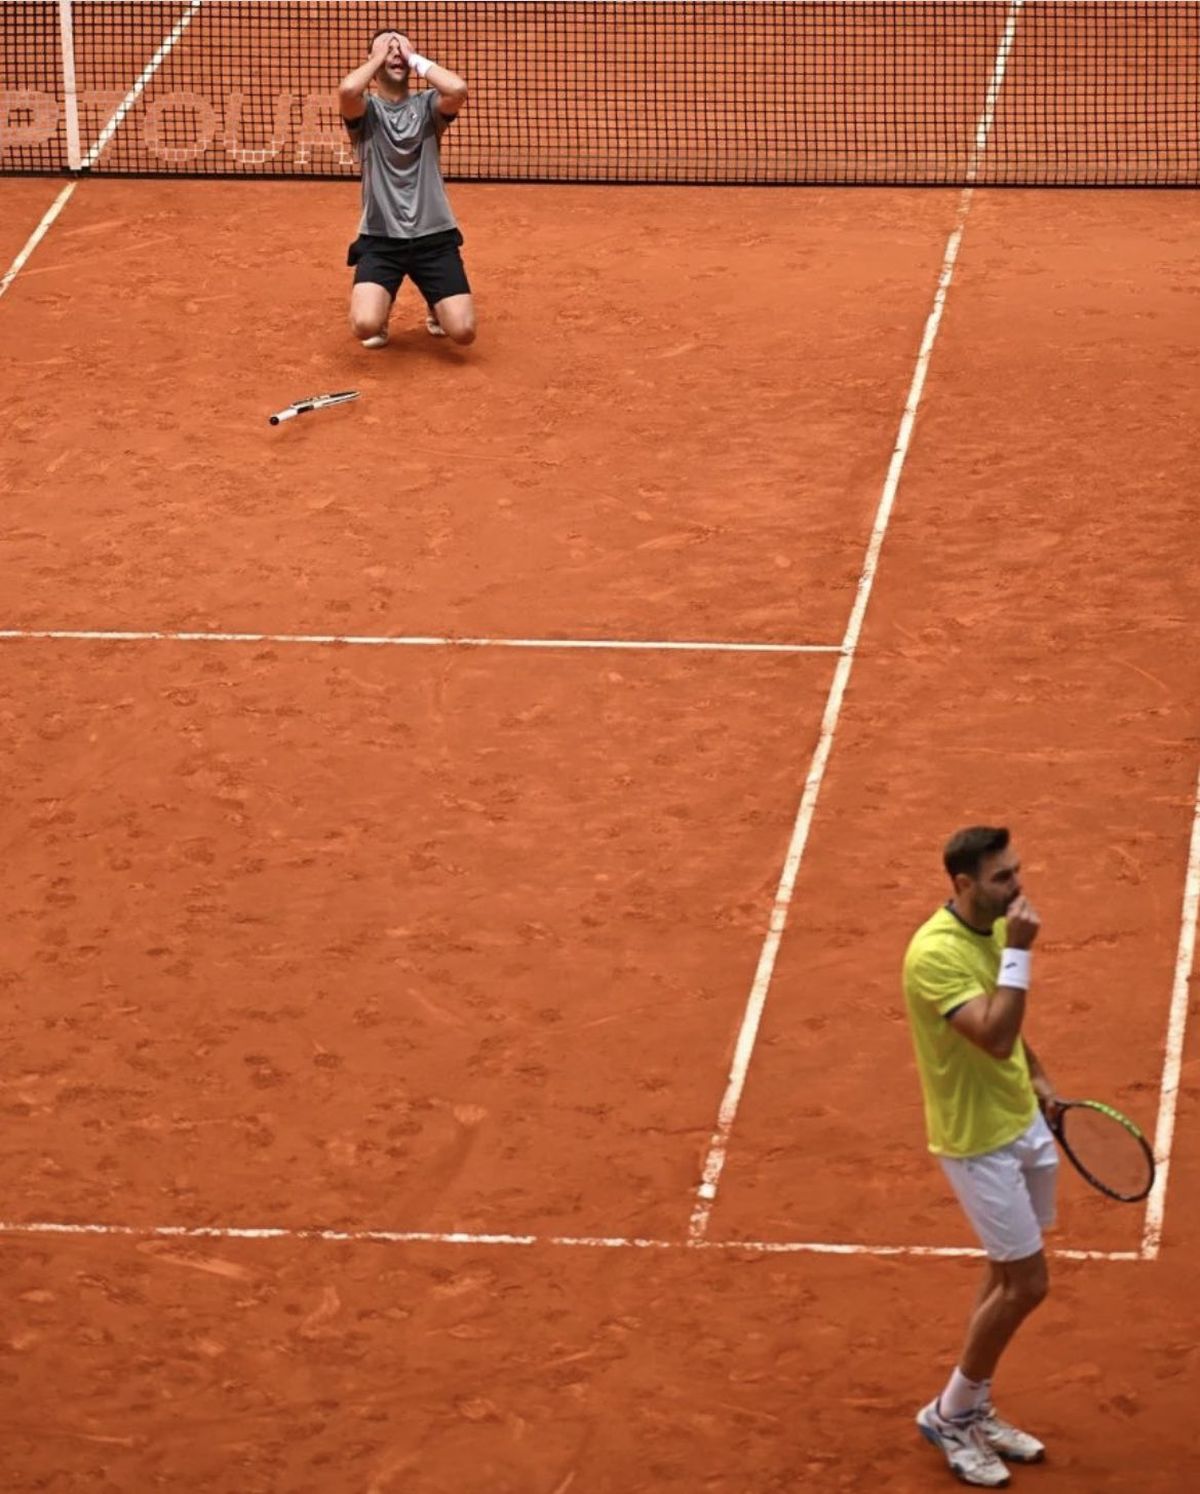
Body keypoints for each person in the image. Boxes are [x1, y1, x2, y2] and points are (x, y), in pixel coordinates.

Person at [902, 826, 1063, 1488]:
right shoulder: (932, 956)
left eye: (1017, 871)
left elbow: (1012, 1026)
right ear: (964, 885)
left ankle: (970, 1405)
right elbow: (992, 1036)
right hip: (976, 1140)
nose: (1017, 886)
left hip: (1019, 1119)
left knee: (1004, 1273)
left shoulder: (995, 926)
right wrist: (1020, 952)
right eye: (1002, 878)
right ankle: (950, 1412)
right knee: (1027, 1284)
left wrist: (1041, 1076)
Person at [338, 29, 476, 350]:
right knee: (364, 325)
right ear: (373, 62)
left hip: (434, 237)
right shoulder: (366, 112)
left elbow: (457, 88)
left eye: (401, 47)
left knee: (464, 331)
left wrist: (413, 58)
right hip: (381, 238)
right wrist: (379, 56)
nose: (395, 53)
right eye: (388, 48)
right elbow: (347, 89)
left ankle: (435, 304)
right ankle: (381, 311)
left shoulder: (428, 106)